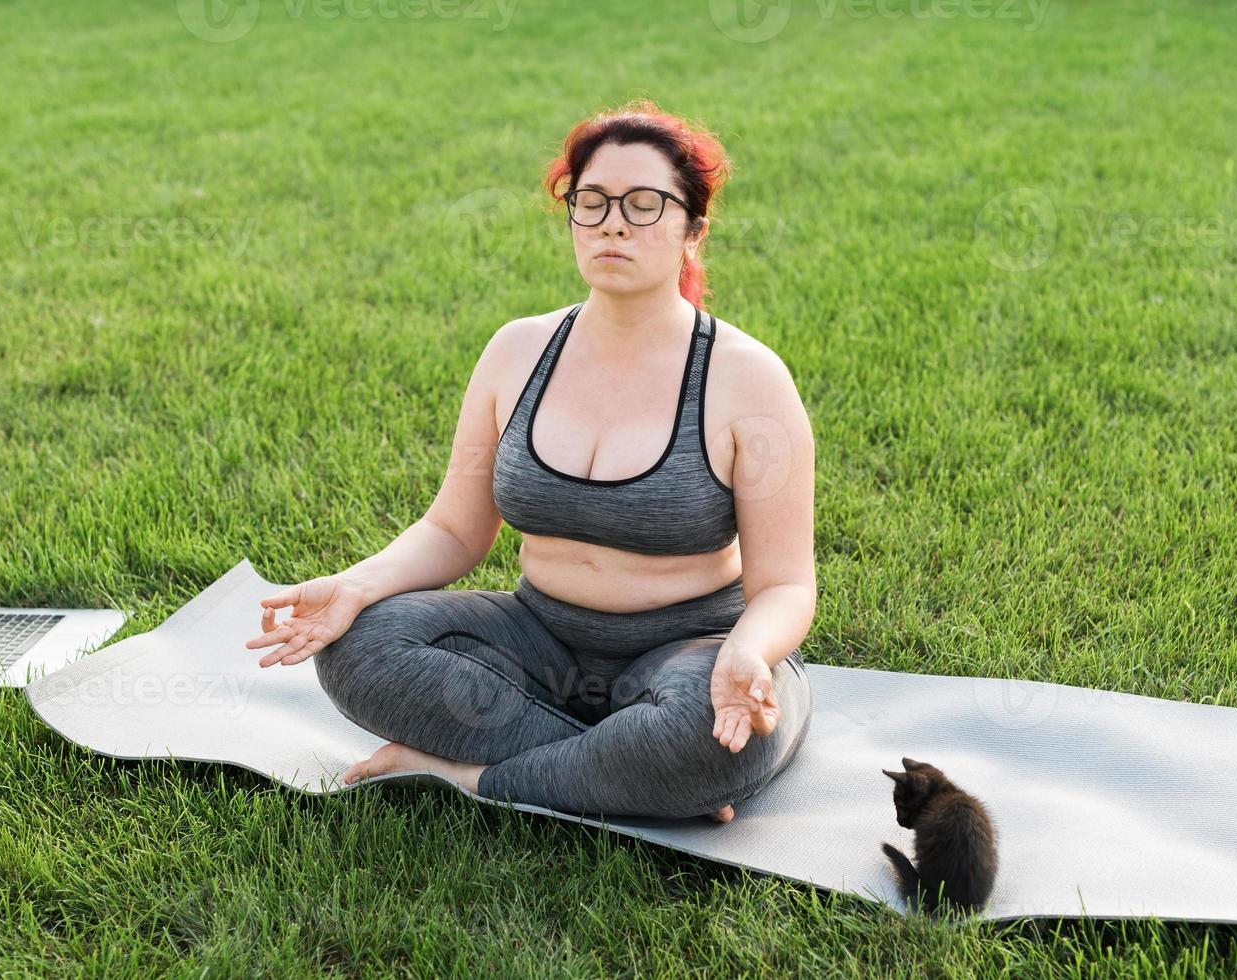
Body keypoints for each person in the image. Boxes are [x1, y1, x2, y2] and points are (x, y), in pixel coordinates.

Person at [244, 98, 817, 823]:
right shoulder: (516, 352)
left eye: (645, 205)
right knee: (358, 647)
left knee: (716, 741)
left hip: (694, 651)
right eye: (591, 201)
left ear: (692, 231)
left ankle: (465, 774)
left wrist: (747, 654)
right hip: (539, 646)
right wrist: (356, 586)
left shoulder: (746, 378)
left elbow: (786, 584)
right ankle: (624, 771)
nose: (612, 221)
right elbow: (454, 530)